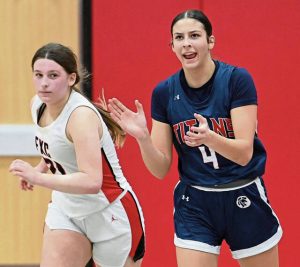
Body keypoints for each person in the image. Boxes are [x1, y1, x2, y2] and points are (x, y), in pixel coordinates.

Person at [108, 9, 282, 267]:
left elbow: (245, 153)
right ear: (172, 46)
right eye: (179, 38)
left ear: (210, 41)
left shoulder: (237, 80)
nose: (186, 43)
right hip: (196, 201)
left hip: (243, 191)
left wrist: (211, 138)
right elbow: (160, 169)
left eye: (194, 35)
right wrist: (143, 138)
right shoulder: (164, 93)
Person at [9, 43, 145, 267]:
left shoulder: (81, 116)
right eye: (38, 75)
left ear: (71, 79)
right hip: (67, 208)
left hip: (109, 210)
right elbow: (57, 147)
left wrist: (37, 178)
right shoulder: (37, 105)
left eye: (53, 75)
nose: (44, 83)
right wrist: (40, 168)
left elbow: (92, 181)